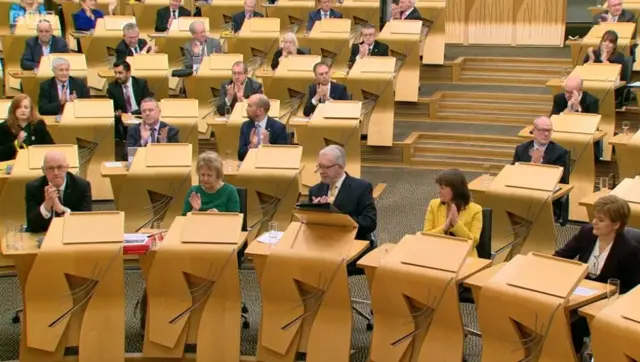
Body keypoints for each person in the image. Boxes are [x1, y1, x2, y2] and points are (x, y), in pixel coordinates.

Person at [554, 195, 640, 353]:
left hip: (606, 303)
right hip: (578, 295)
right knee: (551, 313)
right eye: (595, 217)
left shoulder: (628, 250)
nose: (594, 222)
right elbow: (561, 256)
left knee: (573, 326)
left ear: (616, 224)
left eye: (600, 220)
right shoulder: (587, 233)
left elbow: (631, 289)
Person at [308, 145, 377, 242]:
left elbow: (369, 223)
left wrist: (335, 217)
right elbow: (309, 225)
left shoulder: (361, 188)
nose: (321, 172)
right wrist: (314, 213)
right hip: (322, 243)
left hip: (351, 243)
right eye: (319, 167)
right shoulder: (315, 191)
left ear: (340, 167)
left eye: (326, 167)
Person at [25, 151, 92, 233]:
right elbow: (32, 225)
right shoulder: (33, 188)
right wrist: (46, 206)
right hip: (44, 235)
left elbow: (86, 221)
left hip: (73, 233)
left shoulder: (82, 186)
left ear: (67, 168)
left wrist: (61, 209)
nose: (56, 173)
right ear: (43, 170)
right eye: (50, 168)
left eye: (60, 167)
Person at [423, 169, 483, 256]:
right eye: (439, 187)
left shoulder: (476, 210)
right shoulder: (434, 205)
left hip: (464, 257)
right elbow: (425, 237)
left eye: (443, 188)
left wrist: (455, 223)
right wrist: (445, 227)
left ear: (456, 189)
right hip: (437, 254)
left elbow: (473, 242)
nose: (439, 191)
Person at [106, 60, 153, 139]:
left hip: (141, 116)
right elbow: (111, 109)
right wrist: (117, 113)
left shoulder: (141, 84)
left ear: (128, 73)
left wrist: (131, 114)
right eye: (115, 73)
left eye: (120, 73)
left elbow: (147, 104)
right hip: (124, 121)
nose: (117, 76)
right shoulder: (112, 88)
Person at [0, 94, 54, 162]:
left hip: (36, 162)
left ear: (30, 110)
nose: (23, 110)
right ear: (13, 110)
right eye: (19, 107)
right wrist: (16, 144)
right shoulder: (4, 127)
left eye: (26, 107)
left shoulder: (38, 125)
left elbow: (51, 147)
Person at [237, 94, 288, 161]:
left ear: (260, 111)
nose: (246, 109)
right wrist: (251, 146)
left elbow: (282, 157)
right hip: (250, 166)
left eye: (250, 106)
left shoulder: (278, 127)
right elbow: (240, 156)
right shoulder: (245, 126)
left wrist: (267, 145)